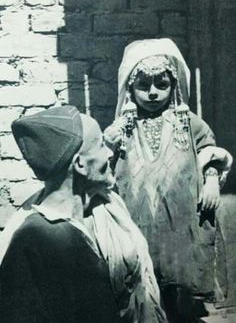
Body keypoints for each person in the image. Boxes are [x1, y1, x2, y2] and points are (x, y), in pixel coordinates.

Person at [104, 38, 233, 323]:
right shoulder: (122, 128)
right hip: (137, 219)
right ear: (129, 88)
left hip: (181, 221)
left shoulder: (189, 124)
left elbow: (208, 150)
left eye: (161, 85)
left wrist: (211, 178)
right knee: (142, 285)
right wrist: (109, 143)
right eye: (144, 86)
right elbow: (102, 165)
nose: (152, 93)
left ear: (173, 86)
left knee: (179, 286)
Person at [0, 105, 167, 323]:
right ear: (80, 164)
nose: (108, 152)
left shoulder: (90, 220)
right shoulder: (38, 238)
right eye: (99, 145)